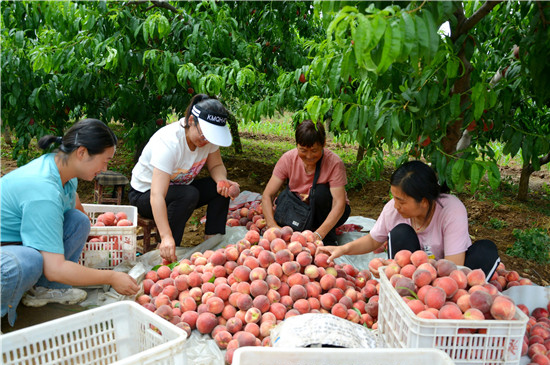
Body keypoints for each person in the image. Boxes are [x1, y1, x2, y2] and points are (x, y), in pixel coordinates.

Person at [0, 119, 139, 326]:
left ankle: (44, 290)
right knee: (28, 262)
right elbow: (55, 268)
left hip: (18, 238)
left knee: (79, 221)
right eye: (105, 160)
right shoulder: (43, 191)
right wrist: (110, 277)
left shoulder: (63, 168)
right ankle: (5, 316)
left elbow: (76, 207)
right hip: (7, 251)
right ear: (82, 153)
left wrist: (98, 235)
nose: (105, 168)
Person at [319, 160, 501, 278]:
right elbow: (373, 240)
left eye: (401, 200)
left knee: (485, 251)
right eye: (393, 197)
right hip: (412, 275)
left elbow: (454, 266)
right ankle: (404, 293)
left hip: (449, 274)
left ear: (423, 201)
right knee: (400, 233)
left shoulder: (451, 210)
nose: (395, 205)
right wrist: (342, 249)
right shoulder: (394, 209)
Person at [129, 94, 239, 262]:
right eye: (204, 135)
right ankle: (166, 250)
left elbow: (216, 166)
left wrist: (222, 181)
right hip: (144, 195)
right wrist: (166, 236)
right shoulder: (169, 143)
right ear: (191, 122)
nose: (207, 141)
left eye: (211, 137)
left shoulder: (208, 139)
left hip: (179, 188)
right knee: (188, 194)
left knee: (217, 189)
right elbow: (156, 195)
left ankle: (213, 245)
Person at [261, 119, 351, 245]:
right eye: (303, 150)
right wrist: (272, 226)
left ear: (324, 144)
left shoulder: (334, 163)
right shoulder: (288, 159)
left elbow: (339, 203)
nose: (309, 156)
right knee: (282, 197)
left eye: (314, 151)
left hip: (326, 209)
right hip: (300, 209)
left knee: (321, 193)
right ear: (296, 145)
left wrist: (319, 234)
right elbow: (267, 195)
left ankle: (328, 237)